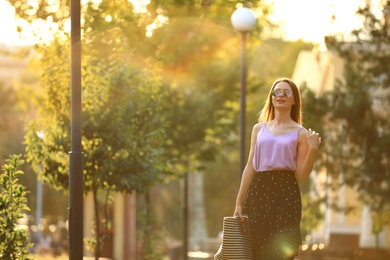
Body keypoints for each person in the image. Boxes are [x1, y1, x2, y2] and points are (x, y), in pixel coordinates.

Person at [233, 78, 321, 260]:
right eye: (276, 92)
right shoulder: (259, 129)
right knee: (258, 247)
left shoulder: (301, 133)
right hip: (260, 192)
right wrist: (239, 203)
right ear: (271, 98)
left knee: (281, 250)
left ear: (294, 99)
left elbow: (302, 175)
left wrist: (313, 150)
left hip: (286, 194)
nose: (281, 95)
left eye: (286, 92)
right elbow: (250, 166)